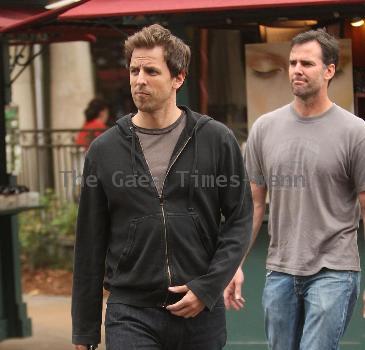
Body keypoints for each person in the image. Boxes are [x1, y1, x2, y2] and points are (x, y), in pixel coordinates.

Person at [72, 24, 253, 350]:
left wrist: (209, 287)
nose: (139, 79)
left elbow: (239, 220)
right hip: (131, 311)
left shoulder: (216, 139)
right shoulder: (104, 150)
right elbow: (89, 243)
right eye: (134, 70)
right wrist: (84, 331)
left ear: (178, 78)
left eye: (151, 71)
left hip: (199, 310)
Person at [225, 29, 365, 349]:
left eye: (307, 63)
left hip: (335, 269)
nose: (297, 70)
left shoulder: (356, 133)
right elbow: (254, 207)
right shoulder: (264, 128)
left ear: (329, 70)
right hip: (280, 271)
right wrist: (236, 264)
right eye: (292, 62)